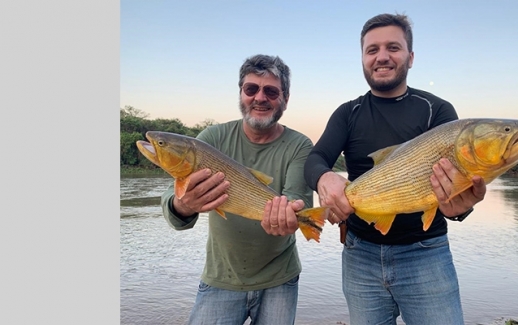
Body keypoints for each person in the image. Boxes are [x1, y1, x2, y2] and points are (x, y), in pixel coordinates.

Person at [303, 13, 487, 325]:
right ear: (362, 58)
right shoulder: (348, 113)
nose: (382, 57)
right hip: (359, 255)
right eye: (372, 49)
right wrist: (325, 177)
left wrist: (460, 209)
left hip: (426, 253)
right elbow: (315, 158)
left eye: (393, 47)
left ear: (410, 57)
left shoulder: (438, 111)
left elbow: (456, 197)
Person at [160, 54, 314, 324]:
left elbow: (300, 200)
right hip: (221, 277)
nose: (260, 97)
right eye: (251, 89)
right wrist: (183, 205)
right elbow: (174, 211)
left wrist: (292, 217)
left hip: (280, 278)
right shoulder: (211, 139)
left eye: (271, 91)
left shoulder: (300, 145)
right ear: (241, 93)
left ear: (285, 99)